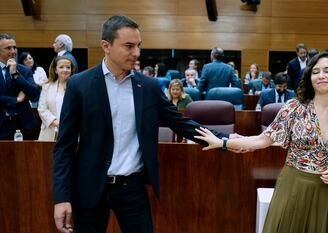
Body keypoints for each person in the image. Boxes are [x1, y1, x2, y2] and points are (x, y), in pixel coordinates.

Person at [52, 15, 232, 233]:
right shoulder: (79, 85)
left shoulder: (148, 86)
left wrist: (225, 140)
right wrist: (61, 197)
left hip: (132, 187)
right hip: (89, 186)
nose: (136, 53)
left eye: (138, 45)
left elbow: (180, 123)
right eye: (128, 46)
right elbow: (64, 146)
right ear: (105, 46)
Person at [195, 52, 328, 233]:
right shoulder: (294, 108)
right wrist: (222, 143)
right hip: (294, 187)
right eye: (315, 71)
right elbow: (261, 140)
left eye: (327, 71)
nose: (321, 76)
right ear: (309, 77)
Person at [0, 33, 40, 140]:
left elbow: (35, 95)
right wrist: (16, 99)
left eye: (14, 47)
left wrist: (16, 74)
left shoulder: (24, 70)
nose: (13, 51)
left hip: (23, 124)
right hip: (1, 124)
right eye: (8, 48)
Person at [37, 56, 75, 141]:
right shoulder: (47, 86)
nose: (65, 70)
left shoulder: (77, 86)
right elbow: (42, 109)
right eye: (61, 67)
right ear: (55, 70)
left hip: (71, 131)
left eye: (68, 67)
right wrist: (57, 123)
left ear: (71, 70)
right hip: (50, 131)